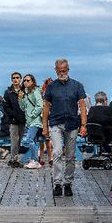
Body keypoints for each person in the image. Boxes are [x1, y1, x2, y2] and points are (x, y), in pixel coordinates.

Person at [42, 59, 87, 197]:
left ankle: (67, 183)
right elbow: (46, 106)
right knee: (57, 152)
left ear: (68, 69)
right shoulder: (51, 87)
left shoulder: (77, 85)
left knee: (70, 155)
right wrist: (44, 126)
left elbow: (82, 106)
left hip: (72, 123)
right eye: (59, 71)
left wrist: (83, 125)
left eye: (64, 70)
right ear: (56, 70)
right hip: (56, 122)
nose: (62, 73)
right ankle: (57, 183)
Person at [1, 72, 26, 167]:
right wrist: (13, 115)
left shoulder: (24, 91)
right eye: (14, 78)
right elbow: (5, 107)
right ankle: (13, 159)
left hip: (23, 120)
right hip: (13, 120)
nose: (15, 79)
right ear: (11, 80)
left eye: (17, 77)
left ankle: (14, 159)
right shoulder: (8, 92)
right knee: (14, 140)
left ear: (20, 79)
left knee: (19, 140)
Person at [19, 74, 44, 169]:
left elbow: (40, 105)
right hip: (29, 122)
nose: (25, 82)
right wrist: (20, 99)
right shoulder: (26, 93)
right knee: (34, 141)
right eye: (24, 80)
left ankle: (35, 160)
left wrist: (32, 115)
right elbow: (22, 108)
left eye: (28, 80)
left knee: (28, 139)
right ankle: (35, 160)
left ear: (32, 81)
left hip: (35, 121)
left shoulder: (35, 91)